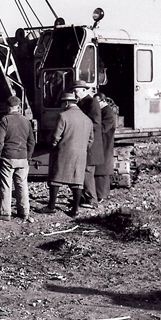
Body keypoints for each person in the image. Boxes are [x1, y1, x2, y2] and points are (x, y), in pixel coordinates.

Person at [39, 92, 93, 218]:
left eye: (62, 103)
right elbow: (91, 140)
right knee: (77, 181)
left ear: (67, 103)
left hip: (63, 152)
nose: (62, 106)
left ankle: (51, 206)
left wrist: (52, 145)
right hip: (80, 154)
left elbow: (55, 136)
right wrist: (82, 149)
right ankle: (75, 209)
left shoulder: (63, 116)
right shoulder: (87, 119)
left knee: (55, 179)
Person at [0, 96, 35, 222]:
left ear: (7, 106)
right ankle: (25, 212)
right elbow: (31, 141)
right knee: (22, 185)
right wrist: (29, 156)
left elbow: (0, 141)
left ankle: (5, 213)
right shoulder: (26, 121)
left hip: (8, 157)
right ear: (19, 107)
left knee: (6, 185)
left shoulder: (5, 120)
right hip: (22, 157)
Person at [72, 80, 104, 209]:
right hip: (87, 142)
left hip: (91, 144)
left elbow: (95, 124)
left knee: (87, 171)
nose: (74, 94)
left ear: (84, 90)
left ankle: (92, 200)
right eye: (74, 92)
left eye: (76, 91)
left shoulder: (92, 103)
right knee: (85, 171)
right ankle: (86, 198)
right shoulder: (82, 102)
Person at [94, 92, 117, 202]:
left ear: (103, 101)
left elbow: (103, 128)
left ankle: (101, 195)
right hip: (103, 143)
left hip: (105, 143)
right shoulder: (104, 111)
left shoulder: (108, 113)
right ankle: (101, 194)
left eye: (96, 102)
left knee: (101, 170)